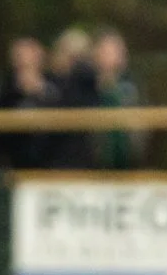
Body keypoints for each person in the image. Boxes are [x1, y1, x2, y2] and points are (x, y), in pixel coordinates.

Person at [43, 26, 98, 169]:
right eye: (69, 55)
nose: (73, 62)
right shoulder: (48, 82)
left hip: (84, 158)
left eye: (79, 56)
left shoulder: (89, 82)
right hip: (52, 158)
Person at [0, 37, 55, 172]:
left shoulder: (56, 90)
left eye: (29, 56)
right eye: (19, 56)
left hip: (51, 168)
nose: (24, 60)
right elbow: (0, 140)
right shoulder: (4, 94)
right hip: (18, 169)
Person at [91, 29, 145, 170]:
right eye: (106, 51)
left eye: (117, 51)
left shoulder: (133, 87)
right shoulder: (84, 86)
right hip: (92, 168)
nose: (112, 56)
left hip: (129, 166)